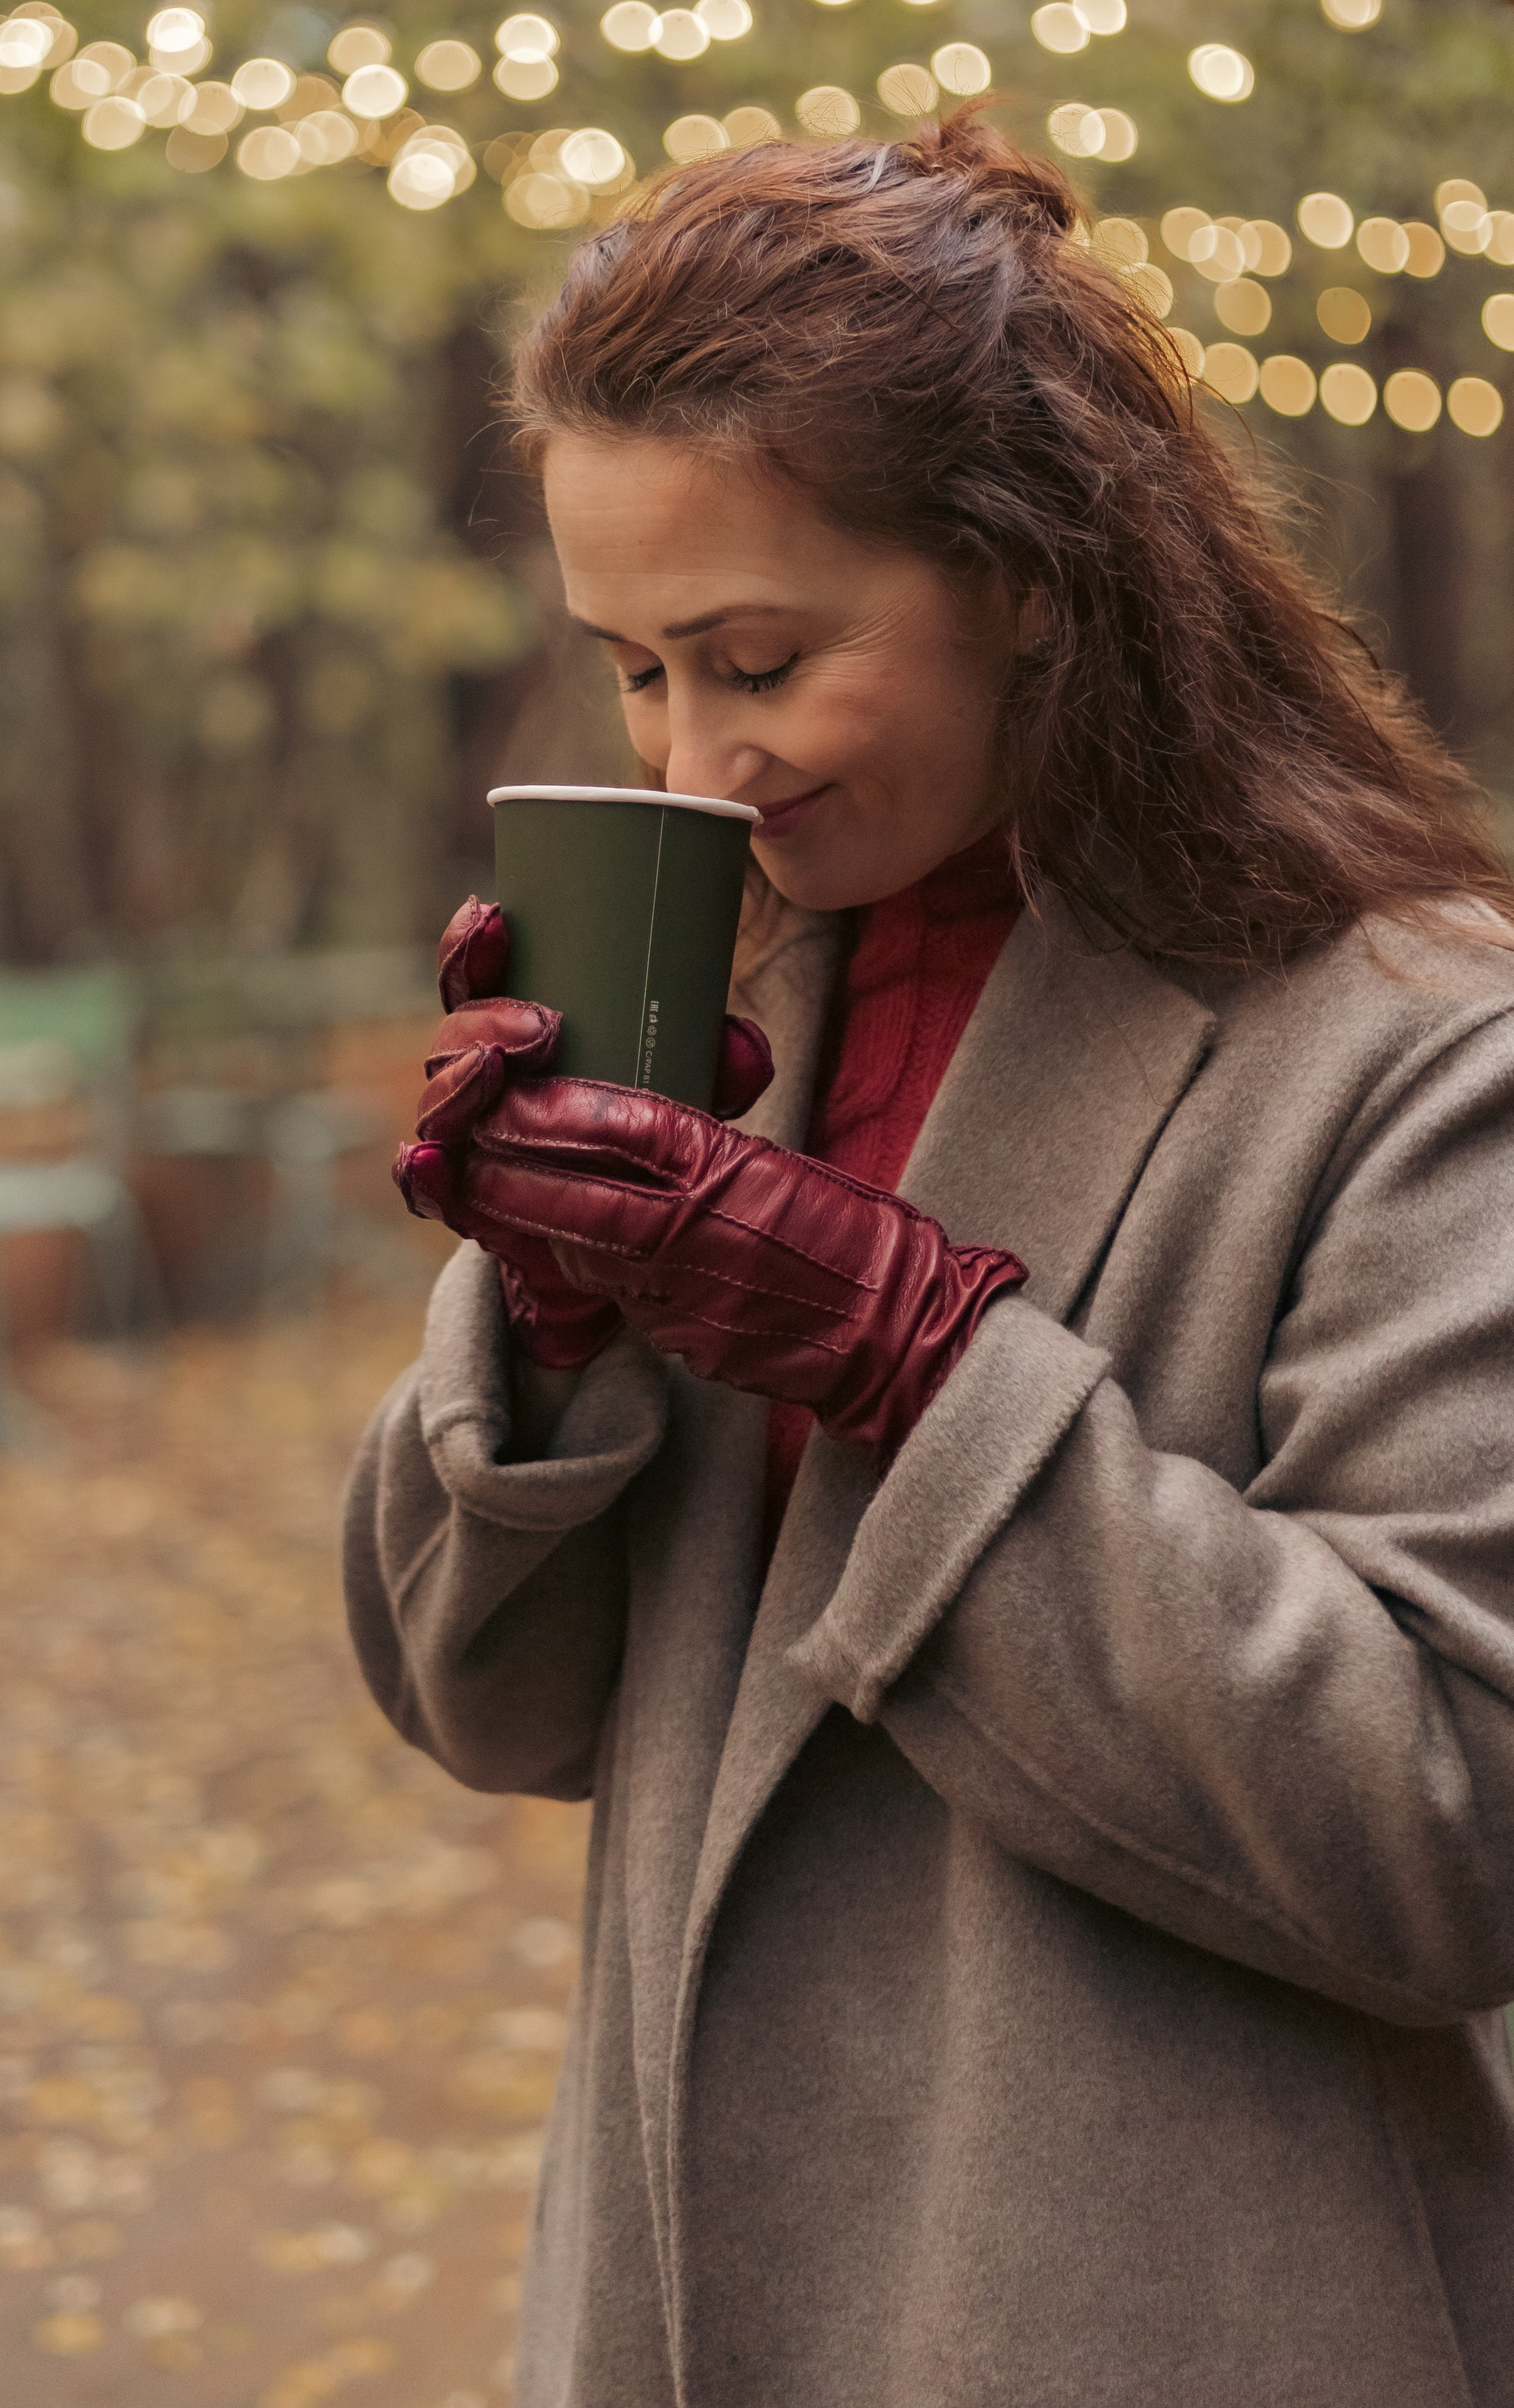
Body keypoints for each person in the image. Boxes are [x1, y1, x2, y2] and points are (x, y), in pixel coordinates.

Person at [343, 106, 1514, 2408]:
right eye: (636, 669)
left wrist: (915, 1361)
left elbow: (1446, 1832)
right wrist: (551, 1330)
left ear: (1038, 581)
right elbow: (491, 1715)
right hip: (688, 2313)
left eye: (762, 657)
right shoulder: (750, 998)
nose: (696, 764)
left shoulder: (1413, 1050)